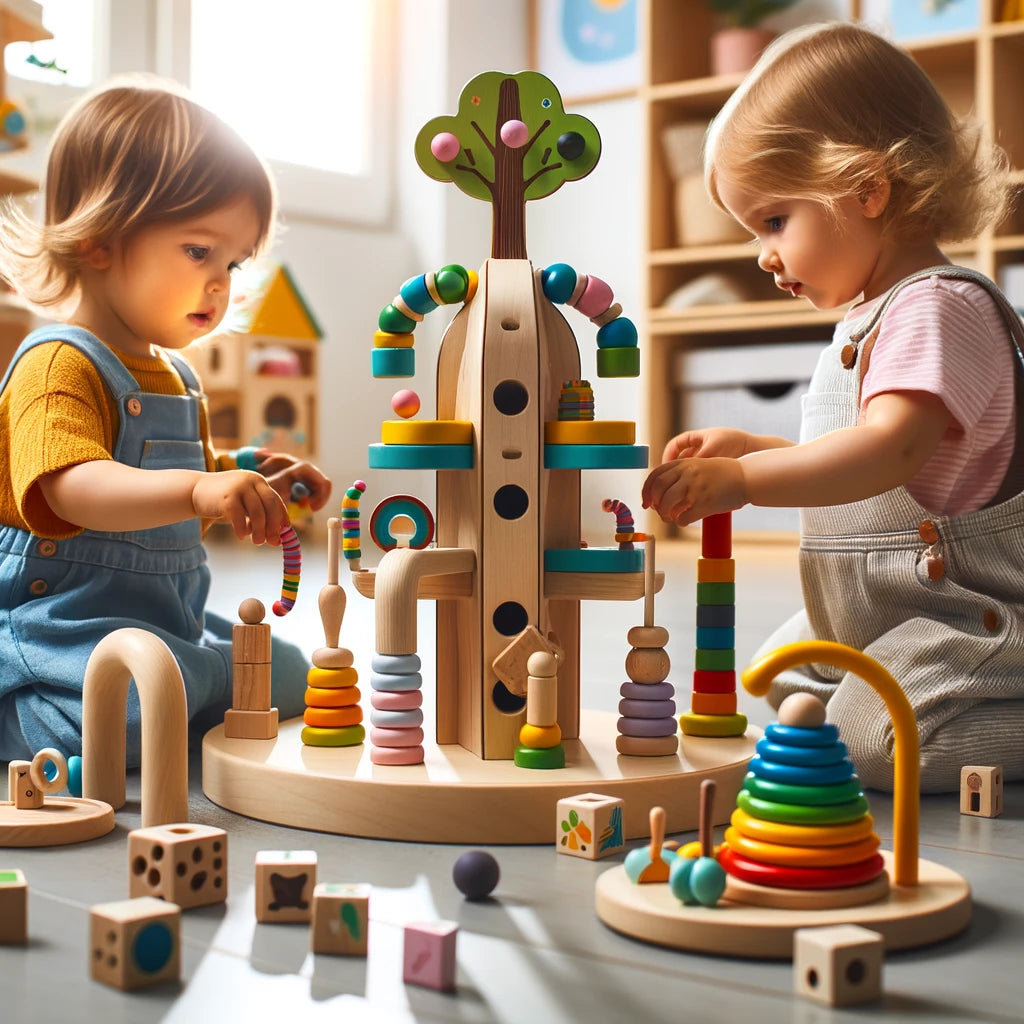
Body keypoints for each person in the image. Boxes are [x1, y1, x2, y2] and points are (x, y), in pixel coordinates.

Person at [642, 22, 1024, 792]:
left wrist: (746, 484)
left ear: (867, 190)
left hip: (959, 615)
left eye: (775, 220)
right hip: (870, 611)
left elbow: (889, 453)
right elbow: (861, 457)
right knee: (779, 688)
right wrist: (753, 447)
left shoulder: (937, 308)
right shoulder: (871, 315)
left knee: (868, 745)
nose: (763, 253)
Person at [0, 77, 331, 764]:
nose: (221, 283)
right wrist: (194, 491)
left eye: (234, 262)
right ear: (99, 240)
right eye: (199, 251)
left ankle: (181, 698)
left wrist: (246, 474)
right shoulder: (58, 365)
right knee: (130, 710)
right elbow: (73, 486)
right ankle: (22, 715)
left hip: (162, 620)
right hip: (57, 629)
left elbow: (186, 474)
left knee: (297, 673)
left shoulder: (173, 374)